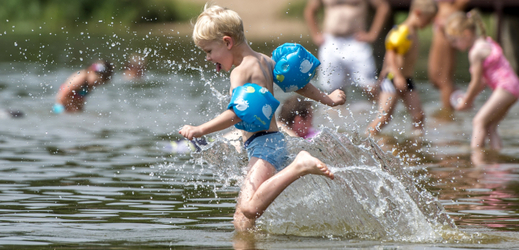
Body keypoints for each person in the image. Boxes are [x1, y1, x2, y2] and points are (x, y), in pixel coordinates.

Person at [179, 4, 346, 232]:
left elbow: (237, 113)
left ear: (227, 43)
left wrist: (200, 130)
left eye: (209, 51)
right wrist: (328, 99)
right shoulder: (264, 60)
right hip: (269, 142)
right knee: (241, 220)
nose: (208, 58)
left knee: (249, 209)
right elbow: (296, 84)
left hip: (264, 145)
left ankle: (300, 166)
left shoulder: (240, 72)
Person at [444, 10, 519, 150]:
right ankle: (495, 164)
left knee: (478, 121)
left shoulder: (475, 52)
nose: (453, 45)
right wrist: (470, 98)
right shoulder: (486, 42)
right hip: (513, 88)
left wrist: (466, 101)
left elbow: (476, 82)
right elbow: (482, 83)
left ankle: (476, 162)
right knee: (490, 126)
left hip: (505, 88)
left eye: (454, 41)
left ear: (465, 34)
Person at [367, 0, 438, 137]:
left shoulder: (413, 32)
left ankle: (415, 144)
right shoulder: (403, 31)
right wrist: (397, 75)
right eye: (428, 19)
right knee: (384, 118)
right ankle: (367, 139)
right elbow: (391, 54)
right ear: (418, 13)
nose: (428, 24)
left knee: (419, 116)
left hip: (406, 79)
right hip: (393, 80)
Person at [304, 0, 390, 98]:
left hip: (356, 41)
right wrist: (315, 34)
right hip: (330, 41)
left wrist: (372, 34)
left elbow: (383, 7)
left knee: (370, 87)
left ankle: (381, 112)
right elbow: (310, 10)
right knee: (332, 90)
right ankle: (337, 113)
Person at [428, 0, 470, 115]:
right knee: (434, 79)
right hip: (438, 36)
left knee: (444, 80)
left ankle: (447, 114)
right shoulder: (442, 5)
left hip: (447, 39)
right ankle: (461, 98)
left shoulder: (455, 6)